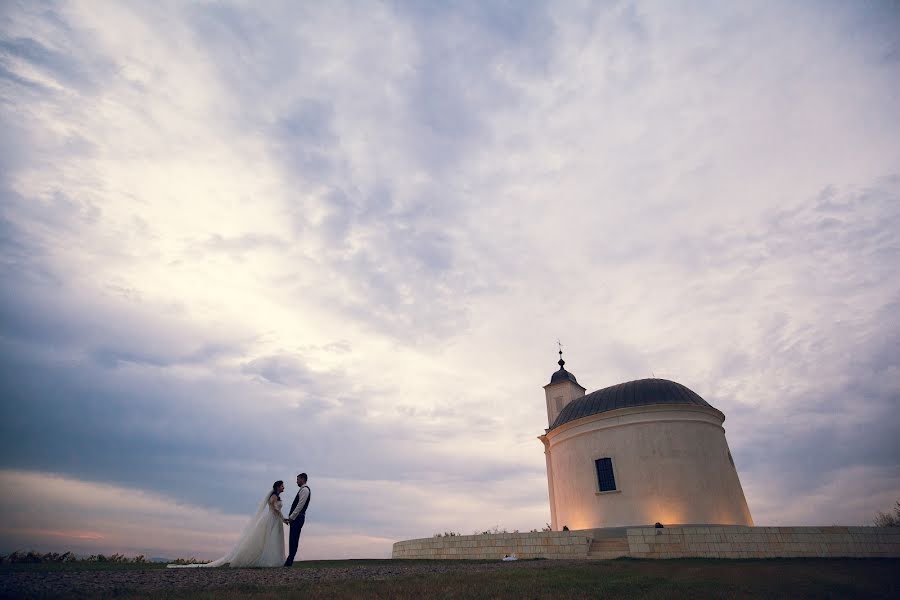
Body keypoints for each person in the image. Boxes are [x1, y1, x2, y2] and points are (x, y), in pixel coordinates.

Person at [167, 480, 286, 568]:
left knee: (274, 540)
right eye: (282, 486)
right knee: (269, 539)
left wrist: (281, 518)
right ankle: (268, 560)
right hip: (272, 520)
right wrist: (283, 518)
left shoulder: (277, 496)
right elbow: (275, 509)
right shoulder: (274, 496)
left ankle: (275, 559)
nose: (283, 487)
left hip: (275, 521)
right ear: (277, 487)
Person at [284, 472, 310, 567]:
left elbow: (300, 506)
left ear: (303, 479)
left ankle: (289, 561)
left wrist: (291, 518)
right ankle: (289, 561)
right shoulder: (303, 490)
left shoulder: (305, 490)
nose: (296, 481)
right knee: (293, 539)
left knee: (294, 539)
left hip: (298, 518)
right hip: (297, 518)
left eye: (298, 479)